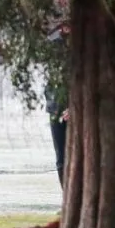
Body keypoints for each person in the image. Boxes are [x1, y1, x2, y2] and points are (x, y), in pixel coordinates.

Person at [44, 24, 70, 190]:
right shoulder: (53, 47)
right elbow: (50, 85)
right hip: (55, 109)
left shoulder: (84, 48)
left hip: (73, 110)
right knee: (61, 157)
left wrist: (72, 107)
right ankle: (67, 195)